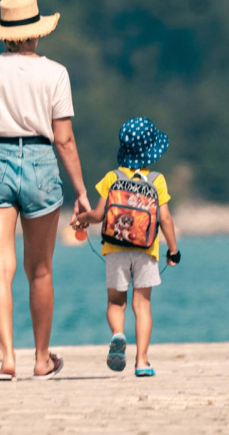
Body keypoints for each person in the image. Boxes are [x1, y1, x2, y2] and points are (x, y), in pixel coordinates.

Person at [0, 0, 88, 381]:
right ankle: (41, 359)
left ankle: (6, 360)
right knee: (40, 270)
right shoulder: (56, 73)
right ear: (37, 33)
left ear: (4, 32)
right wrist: (82, 192)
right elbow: (64, 140)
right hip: (39, 163)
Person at [71, 116, 180, 377]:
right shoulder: (157, 180)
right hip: (146, 250)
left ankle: (118, 334)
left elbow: (98, 215)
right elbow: (165, 219)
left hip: (115, 249)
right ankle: (142, 362)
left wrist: (80, 221)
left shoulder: (112, 177)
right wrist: (173, 250)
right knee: (142, 306)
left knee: (115, 302)